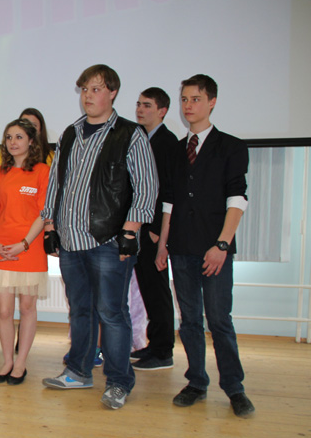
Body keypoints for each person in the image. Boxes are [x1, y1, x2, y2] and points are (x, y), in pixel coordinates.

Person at [41, 64, 157, 410]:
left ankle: (119, 382)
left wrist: (131, 231)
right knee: (80, 310)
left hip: (109, 241)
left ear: (112, 93)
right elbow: (55, 182)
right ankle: (78, 371)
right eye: (84, 90)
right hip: (70, 240)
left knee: (112, 313)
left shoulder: (130, 134)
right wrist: (50, 225)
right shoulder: (70, 133)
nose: (88, 96)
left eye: (95, 89)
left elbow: (146, 188)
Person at [156, 74, 254, 418]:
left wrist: (222, 245)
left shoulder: (231, 147)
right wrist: (162, 244)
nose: (188, 106)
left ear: (212, 102)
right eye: (184, 99)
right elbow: (169, 202)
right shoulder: (176, 150)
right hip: (181, 248)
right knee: (190, 321)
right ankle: (196, 382)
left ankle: (235, 387)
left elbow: (237, 199)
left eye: (195, 99)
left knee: (219, 320)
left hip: (215, 249)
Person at [0, 119, 49, 384]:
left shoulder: (42, 171)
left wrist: (24, 243)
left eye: (19, 137)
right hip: (1, 249)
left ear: (31, 141)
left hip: (29, 248)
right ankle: (7, 361)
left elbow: (44, 214)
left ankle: (21, 363)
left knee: (27, 307)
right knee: (4, 311)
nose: (13, 142)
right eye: (9, 137)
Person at [129, 87, 179, 371]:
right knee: (147, 288)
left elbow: (168, 190)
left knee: (158, 289)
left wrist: (159, 230)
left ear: (162, 111)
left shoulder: (167, 143)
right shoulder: (140, 138)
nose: (140, 109)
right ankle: (154, 344)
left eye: (147, 105)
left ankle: (163, 351)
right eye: (138, 104)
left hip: (154, 230)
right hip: (139, 227)